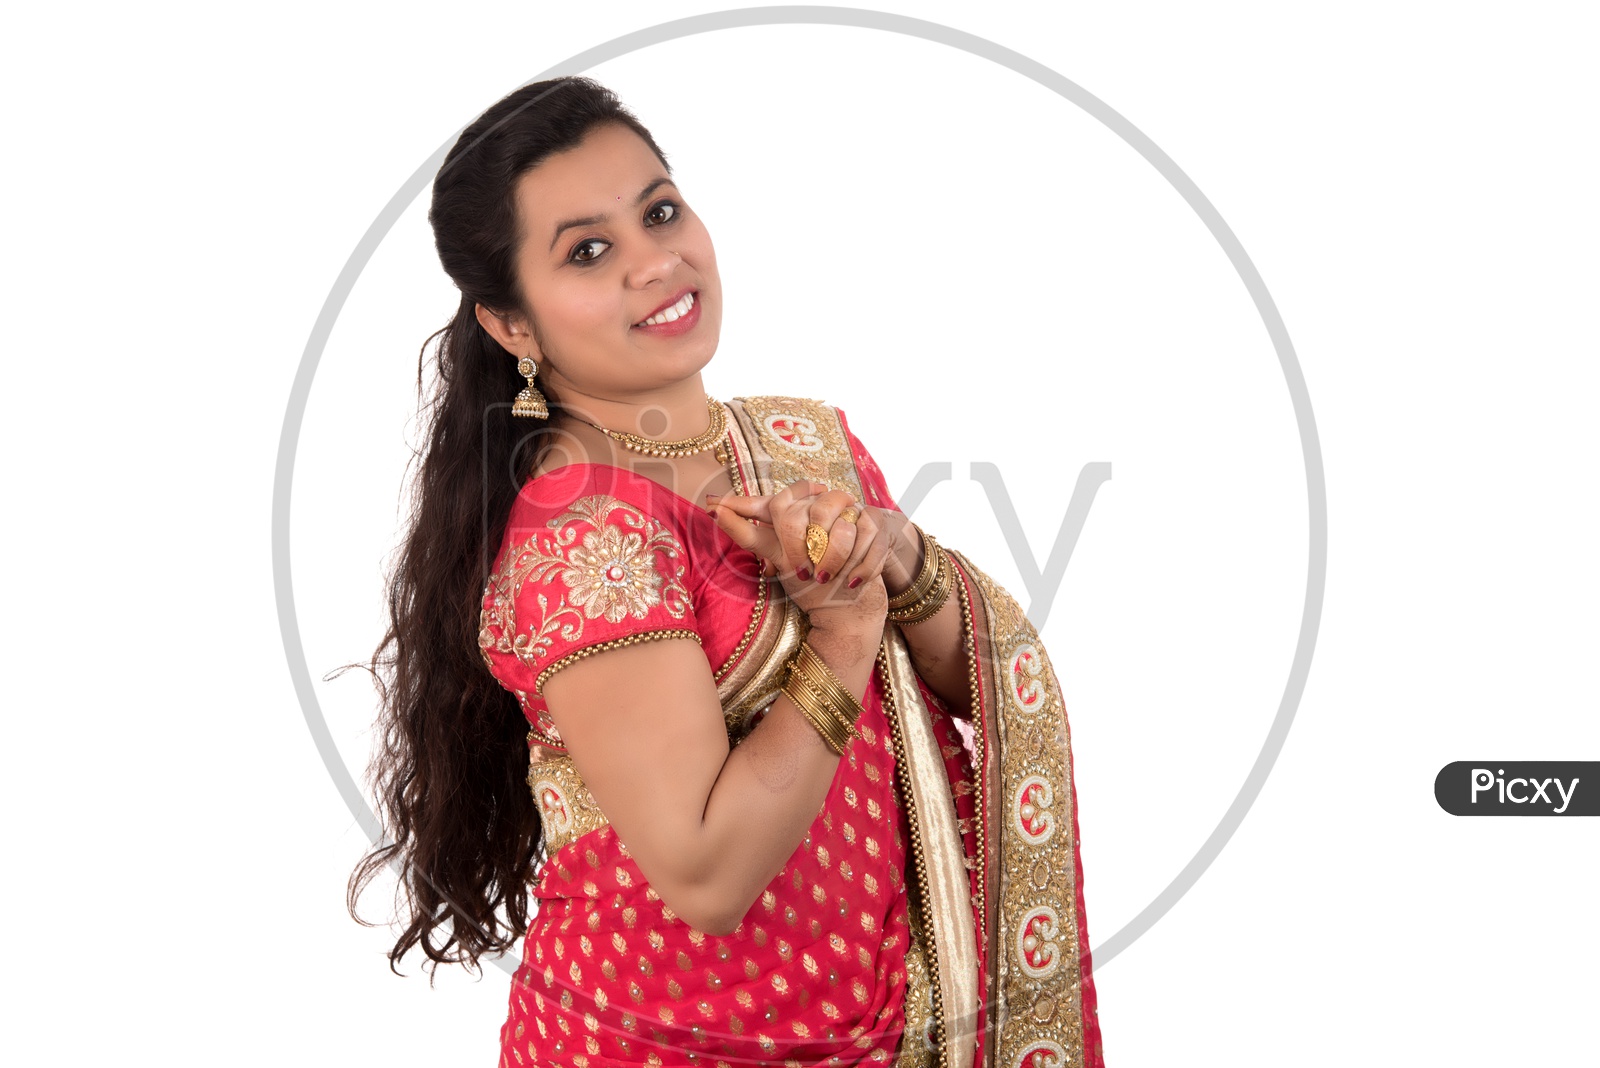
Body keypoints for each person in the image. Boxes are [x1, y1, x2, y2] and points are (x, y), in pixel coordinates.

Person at [350, 76, 1105, 1068]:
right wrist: (835, 642)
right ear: (512, 326)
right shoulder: (579, 533)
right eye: (587, 250)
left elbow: (964, 698)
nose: (655, 262)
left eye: (660, 210)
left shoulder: (800, 442)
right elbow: (707, 872)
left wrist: (900, 558)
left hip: (890, 1022)